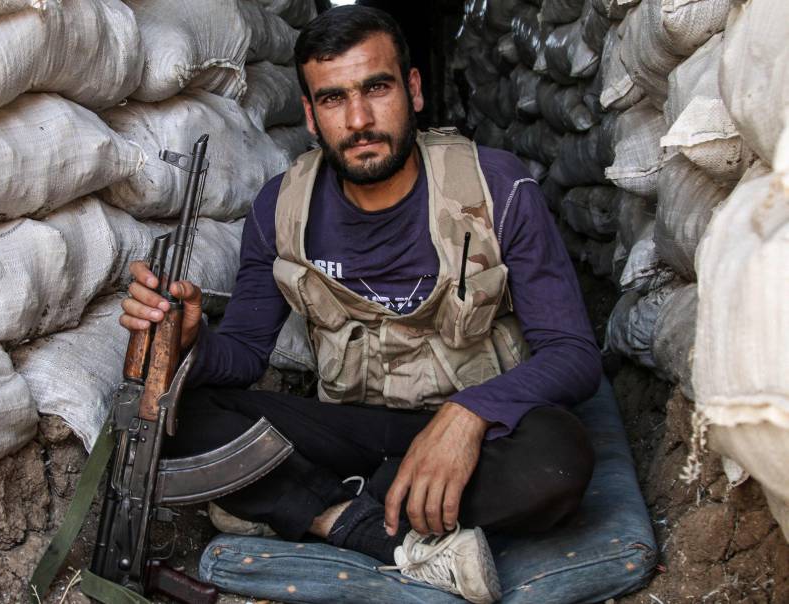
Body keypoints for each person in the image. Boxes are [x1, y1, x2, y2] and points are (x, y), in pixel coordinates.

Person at [120, 6, 600, 603]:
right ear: (310, 115)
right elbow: (244, 356)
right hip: (357, 427)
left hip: (480, 437)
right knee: (179, 413)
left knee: (557, 461)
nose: (359, 119)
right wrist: (192, 338)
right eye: (333, 98)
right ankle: (357, 522)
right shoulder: (282, 209)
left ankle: (304, 500)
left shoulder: (496, 188)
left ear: (414, 90)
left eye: (377, 88)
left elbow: (574, 354)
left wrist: (469, 414)